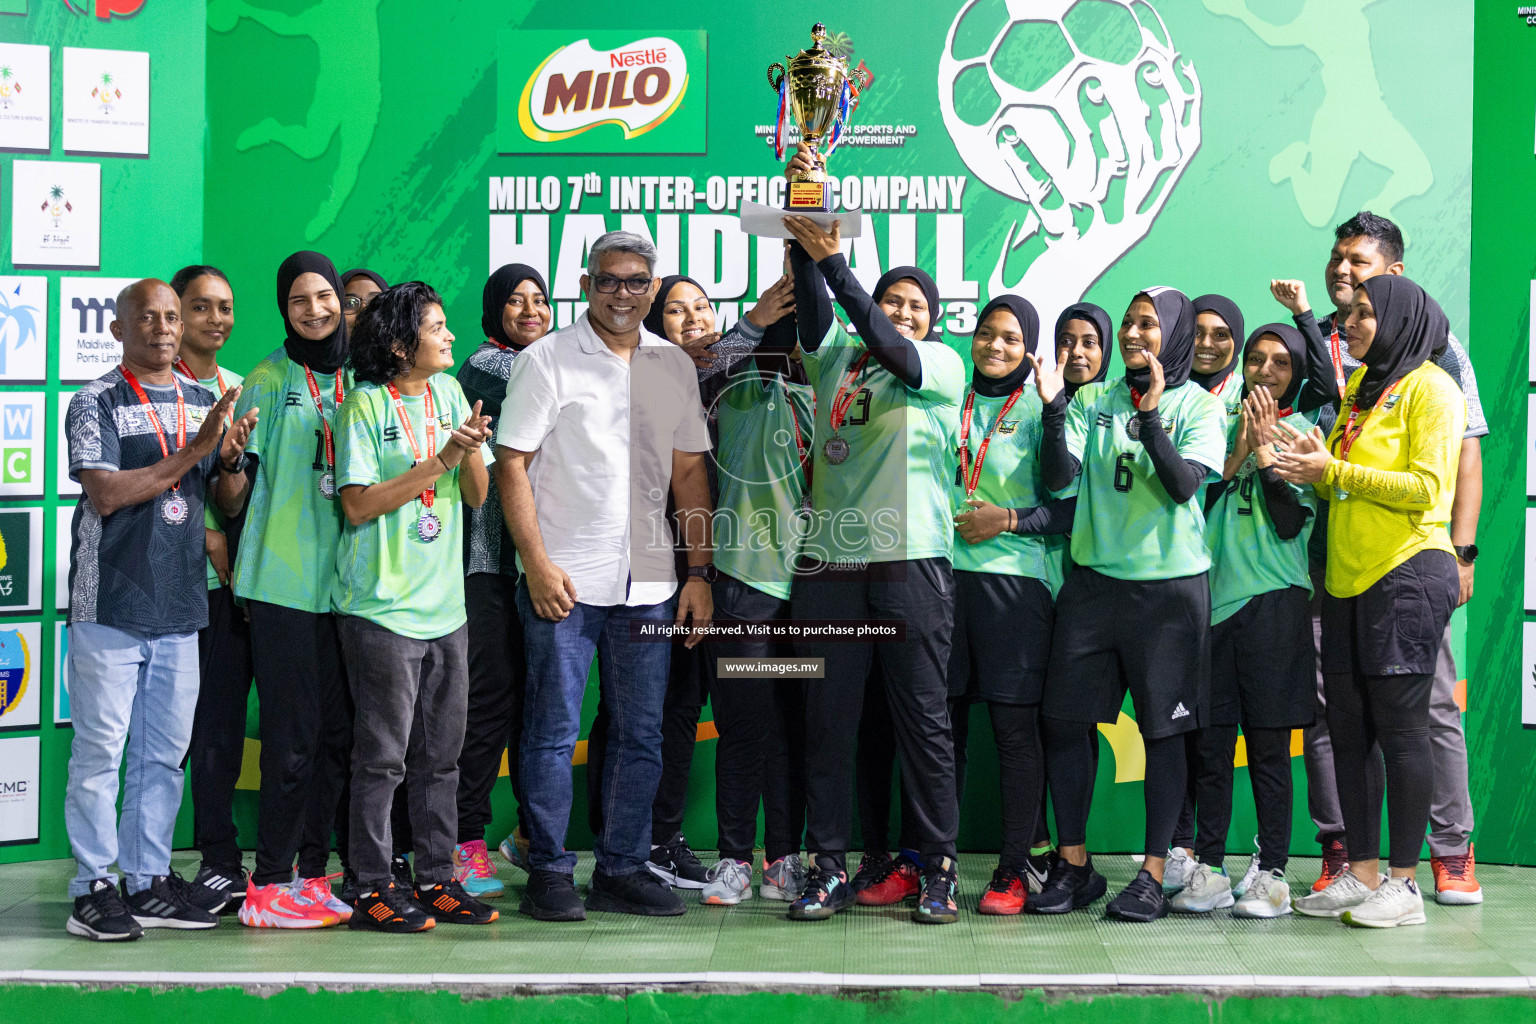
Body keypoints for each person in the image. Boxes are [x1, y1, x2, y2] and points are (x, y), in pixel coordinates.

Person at [496, 231, 713, 921]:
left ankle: (620, 867)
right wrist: (535, 563)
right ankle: (550, 870)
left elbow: (689, 472)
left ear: (653, 287)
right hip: (564, 583)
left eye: (637, 281)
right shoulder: (546, 360)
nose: (623, 293)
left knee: (640, 733)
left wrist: (699, 572)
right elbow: (512, 465)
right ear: (588, 284)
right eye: (609, 280)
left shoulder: (673, 365)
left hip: (651, 584)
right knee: (554, 732)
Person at [1277, 210, 1485, 904]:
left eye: (1367, 310)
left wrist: (1330, 473)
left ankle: (1406, 878)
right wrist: (1293, 462)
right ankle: (1360, 873)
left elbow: (1431, 484)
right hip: (1344, 580)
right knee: (1348, 725)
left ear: (1397, 305)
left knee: (1406, 726)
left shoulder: (1433, 384)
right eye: (1352, 312)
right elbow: (1334, 471)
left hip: (1407, 572)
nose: (1354, 319)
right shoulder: (1364, 392)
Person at [780, 180, 966, 925]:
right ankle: (827, 867)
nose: (903, 313)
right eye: (894, 302)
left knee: (922, 721)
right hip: (830, 567)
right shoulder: (836, 360)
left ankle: (939, 870)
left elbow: (893, 347)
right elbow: (817, 305)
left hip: (911, 563)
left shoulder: (940, 366)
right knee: (828, 720)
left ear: (933, 319)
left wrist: (841, 266)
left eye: (917, 305)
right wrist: (805, 226)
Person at [63, 279, 257, 940]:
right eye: (147, 317)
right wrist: (199, 451)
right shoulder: (95, 400)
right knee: (99, 752)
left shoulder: (205, 400)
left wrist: (228, 460)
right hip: (111, 603)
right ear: (117, 328)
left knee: (162, 755)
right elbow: (108, 493)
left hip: (181, 604)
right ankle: (91, 884)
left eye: (172, 316)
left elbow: (225, 505)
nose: (164, 327)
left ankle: (146, 879)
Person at [585, 272, 792, 890]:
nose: (694, 317)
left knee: (715, 708)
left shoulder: (743, 376)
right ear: (653, 321)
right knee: (653, 710)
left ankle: (683, 840)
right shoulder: (649, 369)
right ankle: (640, 840)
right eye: (677, 310)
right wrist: (749, 325)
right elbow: (691, 376)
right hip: (656, 569)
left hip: (729, 572)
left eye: (702, 306)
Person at [1027, 286, 1226, 922]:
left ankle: (1152, 871)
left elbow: (1181, 485)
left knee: (1163, 733)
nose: (1137, 333)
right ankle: (1076, 864)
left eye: (1150, 324)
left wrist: (1155, 415)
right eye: (1131, 322)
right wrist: (1056, 411)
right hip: (1093, 588)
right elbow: (1060, 478)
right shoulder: (1095, 399)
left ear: (1174, 333)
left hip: (1168, 595)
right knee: (1063, 722)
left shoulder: (1198, 404)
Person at [334, 281, 497, 932]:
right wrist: (443, 459)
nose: (450, 336)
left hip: (445, 609)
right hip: (380, 609)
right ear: (401, 345)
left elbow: (478, 497)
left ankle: (436, 878)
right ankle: (371, 886)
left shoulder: (451, 393)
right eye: (436, 327)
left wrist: (475, 447)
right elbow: (357, 503)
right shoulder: (364, 408)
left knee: (442, 760)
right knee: (381, 760)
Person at [1168, 324, 1319, 918]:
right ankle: (1209, 867)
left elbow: (1289, 523)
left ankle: (1273, 874)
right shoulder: (1212, 424)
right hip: (1212, 606)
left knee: (1268, 749)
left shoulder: (1305, 434)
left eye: (1280, 363)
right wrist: (1238, 451)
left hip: (1276, 605)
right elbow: (1190, 503)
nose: (1265, 371)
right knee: (1210, 747)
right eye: (1256, 360)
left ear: (1296, 374)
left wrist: (1268, 458)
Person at [233, 251, 357, 929]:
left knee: (338, 736)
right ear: (284, 309)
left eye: (324, 296)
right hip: (282, 585)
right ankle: (268, 885)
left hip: (349, 589)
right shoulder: (267, 380)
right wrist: (225, 460)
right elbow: (232, 491)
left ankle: (313, 873)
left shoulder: (365, 381)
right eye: (299, 301)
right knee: (293, 738)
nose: (314, 309)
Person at [947, 295, 1073, 915]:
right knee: (940, 735)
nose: (996, 346)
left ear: (1029, 348)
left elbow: (1068, 504)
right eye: (986, 334)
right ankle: (934, 865)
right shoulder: (950, 399)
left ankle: (1012, 872)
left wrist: (1011, 520)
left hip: (1016, 590)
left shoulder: (1044, 406)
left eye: (1012, 339)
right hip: (943, 583)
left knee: (1014, 736)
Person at [697, 294, 812, 906]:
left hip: (813, 594)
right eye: (784, 332)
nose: (791, 345)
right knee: (743, 727)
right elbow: (697, 368)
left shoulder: (835, 398)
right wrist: (757, 321)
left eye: (802, 335)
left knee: (793, 728)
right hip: (744, 588)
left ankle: (785, 858)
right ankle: (734, 859)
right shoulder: (733, 391)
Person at [452, 264, 550, 897]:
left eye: (539, 299)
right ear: (494, 312)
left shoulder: (546, 363)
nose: (530, 309)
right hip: (486, 565)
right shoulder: (488, 367)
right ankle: (463, 843)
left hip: (535, 564)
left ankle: (528, 838)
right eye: (514, 301)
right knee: (487, 704)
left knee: (533, 707)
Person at [165, 265, 256, 914]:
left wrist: (228, 493)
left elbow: (243, 489)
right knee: (193, 733)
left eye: (225, 307)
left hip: (238, 590)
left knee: (225, 726)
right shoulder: (151, 389)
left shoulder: (241, 389)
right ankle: (205, 861)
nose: (216, 319)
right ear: (175, 313)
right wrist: (207, 535)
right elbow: (150, 481)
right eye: (201, 308)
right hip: (172, 589)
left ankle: (234, 863)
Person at [1164, 292, 1245, 892]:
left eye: (1222, 333)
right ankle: (1179, 844)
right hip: (1178, 590)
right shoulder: (1166, 398)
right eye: (1200, 332)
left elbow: (1204, 487)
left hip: (1239, 594)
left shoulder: (1251, 398)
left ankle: (1211, 857)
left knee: (1218, 735)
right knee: (1179, 727)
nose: (1210, 343)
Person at [1056, 303, 1114, 402]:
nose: (1076, 351)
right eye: (1066, 341)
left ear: (1105, 350)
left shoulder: (1120, 409)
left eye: (1089, 342)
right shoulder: (1036, 407)